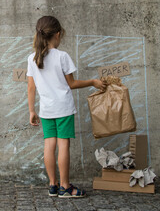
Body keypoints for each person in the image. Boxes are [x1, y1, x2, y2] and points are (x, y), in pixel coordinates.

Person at [27, 16, 106, 198]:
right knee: (63, 146)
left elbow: (31, 88)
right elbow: (72, 83)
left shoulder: (32, 58)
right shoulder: (62, 56)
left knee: (49, 145)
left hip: (46, 110)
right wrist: (93, 81)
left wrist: (32, 110)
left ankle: (53, 185)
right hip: (63, 108)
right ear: (58, 34)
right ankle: (65, 187)